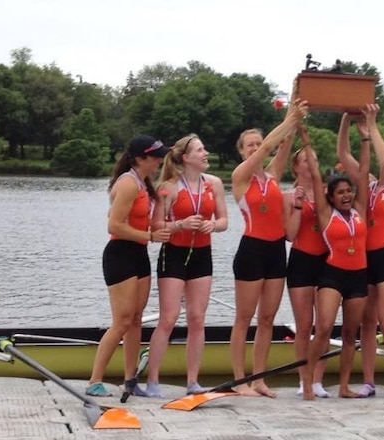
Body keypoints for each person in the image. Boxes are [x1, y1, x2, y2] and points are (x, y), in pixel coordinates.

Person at [229, 100, 308, 397]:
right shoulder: (240, 176)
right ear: (242, 151)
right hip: (251, 251)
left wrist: (295, 106)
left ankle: (259, 378)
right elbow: (269, 148)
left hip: (276, 251)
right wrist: (289, 121)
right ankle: (239, 380)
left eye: (258, 143)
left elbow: (283, 145)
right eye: (250, 145)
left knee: (267, 319)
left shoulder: (272, 177)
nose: (256, 148)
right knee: (244, 318)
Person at [143, 134, 228, 396]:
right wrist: (180, 224)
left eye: (205, 149)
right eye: (200, 150)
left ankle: (193, 381)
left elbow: (224, 220)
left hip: (202, 254)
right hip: (174, 254)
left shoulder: (214, 184)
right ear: (186, 158)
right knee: (169, 318)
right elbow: (155, 227)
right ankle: (153, 380)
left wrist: (212, 224)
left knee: (197, 318)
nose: (206, 154)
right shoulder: (168, 187)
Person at [86, 136, 171, 397]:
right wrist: (149, 236)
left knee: (136, 320)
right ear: (139, 159)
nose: (159, 160)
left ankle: (130, 380)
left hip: (139, 254)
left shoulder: (144, 183)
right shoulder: (127, 184)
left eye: (160, 155)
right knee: (122, 321)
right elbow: (114, 225)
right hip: (120, 254)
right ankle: (94, 381)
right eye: (155, 156)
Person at [336, 105, 384, 398]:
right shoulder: (367, 185)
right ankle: (367, 381)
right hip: (365, 258)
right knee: (366, 321)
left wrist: (373, 126)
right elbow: (343, 155)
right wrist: (346, 120)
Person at [300, 123, 370, 400]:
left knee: (351, 333)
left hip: (359, 276)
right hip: (332, 275)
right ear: (331, 197)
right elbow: (316, 178)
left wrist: (365, 137)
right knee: (325, 328)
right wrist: (306, 139)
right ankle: (307, 383)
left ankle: (343, 386)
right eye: (340, 193)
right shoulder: (325, 214)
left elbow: (363, 174)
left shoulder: (360, 211)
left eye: (349, 192)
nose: (347, 196)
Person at [286, 139, 331, 399]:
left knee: (324, 325)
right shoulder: (289, 196)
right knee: (305, 325)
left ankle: (317, 380)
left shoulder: (328, 193)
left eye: (314, 159)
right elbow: (290, 235)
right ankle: (303, 379)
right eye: (306, 160)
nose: (311, 163)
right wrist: (298, 205)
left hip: (326, 260)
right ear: (296, 167)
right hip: (301, 259)